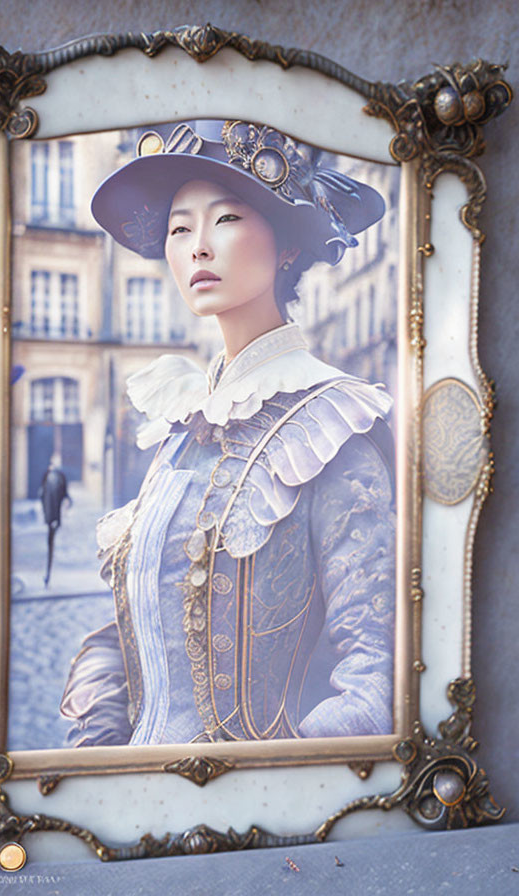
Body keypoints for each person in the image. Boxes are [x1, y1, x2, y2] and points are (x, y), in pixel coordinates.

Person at [60, 120, 396, 746]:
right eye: (180, 228)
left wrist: (268, 792)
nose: (198, 247)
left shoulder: (336, 424)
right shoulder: (182, 422)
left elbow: (376, 673)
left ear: (287, 244)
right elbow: (130, 619)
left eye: (227, 219)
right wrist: (97, 754)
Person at [38, 457, 72, 586]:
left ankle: (48, 575)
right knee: (50, 543)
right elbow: (54, 496)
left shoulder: (52, 476)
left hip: (51, 516)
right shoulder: (54, 477)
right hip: (53, 516)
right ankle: (48, 574)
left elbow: (44, 495)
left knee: (50, 543)